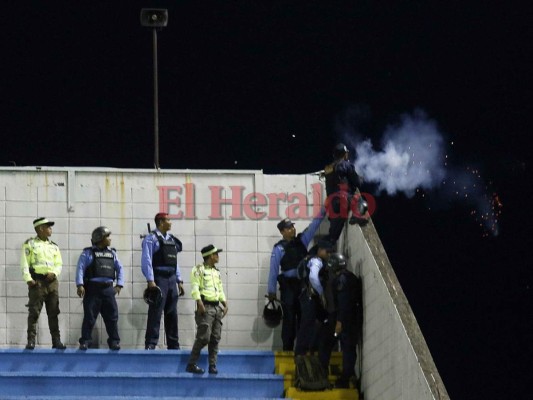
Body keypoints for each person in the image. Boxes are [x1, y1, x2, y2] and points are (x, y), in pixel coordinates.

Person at [267, 209, 325, 351]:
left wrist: (324, 210)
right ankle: (287, 348)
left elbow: (314, 225)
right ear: (282, 232)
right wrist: (271, 292)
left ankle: (304, 348)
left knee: (306, 317)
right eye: (288, 228)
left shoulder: (302, 240)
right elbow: (273, 271)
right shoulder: (279, 248)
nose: (292, 229)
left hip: (303, 285)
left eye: (292, 227)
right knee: (289, 319)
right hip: (288, 288)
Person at [76, 226, 124, 350]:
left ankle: (114, 341)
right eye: (107, 236)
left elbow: (120, 268)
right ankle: (85, 341)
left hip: (108, 290)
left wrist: (119, 285)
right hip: (92, 290)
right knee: (89, 317)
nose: (110, 239)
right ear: (99, 238)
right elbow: (80, 269)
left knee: (112, 318)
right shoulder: (87, 253)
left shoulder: (112, 253)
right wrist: (80, 285)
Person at [20, 217, 66, 350]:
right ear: (40, 229)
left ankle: (56, 341)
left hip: (52, 283)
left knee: (53, 312)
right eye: (48, 227)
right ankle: (31, 341)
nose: (50, 229)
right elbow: (24, 263)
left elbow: (59, 263)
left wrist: (55, 273)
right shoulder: (30, 244)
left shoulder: (54, 246)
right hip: (37, 283)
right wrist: (28, 279)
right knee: (34, 312)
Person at [141, 212, 185, 350]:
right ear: (161, 222)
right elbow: (146, 260)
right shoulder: (151, 239)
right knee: (155, 312)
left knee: (172, 313)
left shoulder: (171, 240)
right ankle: (151, 343)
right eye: (168, 220)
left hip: (172, 279)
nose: (171, 222)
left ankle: (173, 344)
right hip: (159, 278)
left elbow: (174, 262)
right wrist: (150, 280)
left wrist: (179, 280)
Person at [186, 245, 228, 374]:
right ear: (210, 256)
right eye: (216, 254)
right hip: (206, 306)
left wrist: (224, 303)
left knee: (215, 338)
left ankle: (212, 365)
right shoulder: (198, 269)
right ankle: (191, 364)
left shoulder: (216, 271)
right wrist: (199, 302)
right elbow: (195, 286)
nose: (218, 256)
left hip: (216, 308)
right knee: (204, 337)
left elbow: (219, 289)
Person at [328, 252, 363, 388]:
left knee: (348, 348)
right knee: (349, 348)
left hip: (347, 320)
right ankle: (347, 374)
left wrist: (339, 322)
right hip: (354, 317)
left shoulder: (341, 280)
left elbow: (343, 302)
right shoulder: (350, 277)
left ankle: (345, 378)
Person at [294, 239, 334, 357]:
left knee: (324, 320)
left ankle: (312, 348)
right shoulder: (316, 261)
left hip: (309, 297)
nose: (329, 255)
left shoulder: (309, 259)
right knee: (307, 324)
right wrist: (321, 293)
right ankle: (301, 352)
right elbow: (313, 277)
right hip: (310, 296)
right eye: (328, 252)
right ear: (320, 250)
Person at [324, 143, 364, 244]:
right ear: (345, 154)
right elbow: (357, 182)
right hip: (343, 201)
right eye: (346, 153)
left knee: (332, 237)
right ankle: (356, 217)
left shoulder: (328, 168)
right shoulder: (347, 165)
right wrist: (360, 178)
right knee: (361, 202)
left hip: (332, 205)